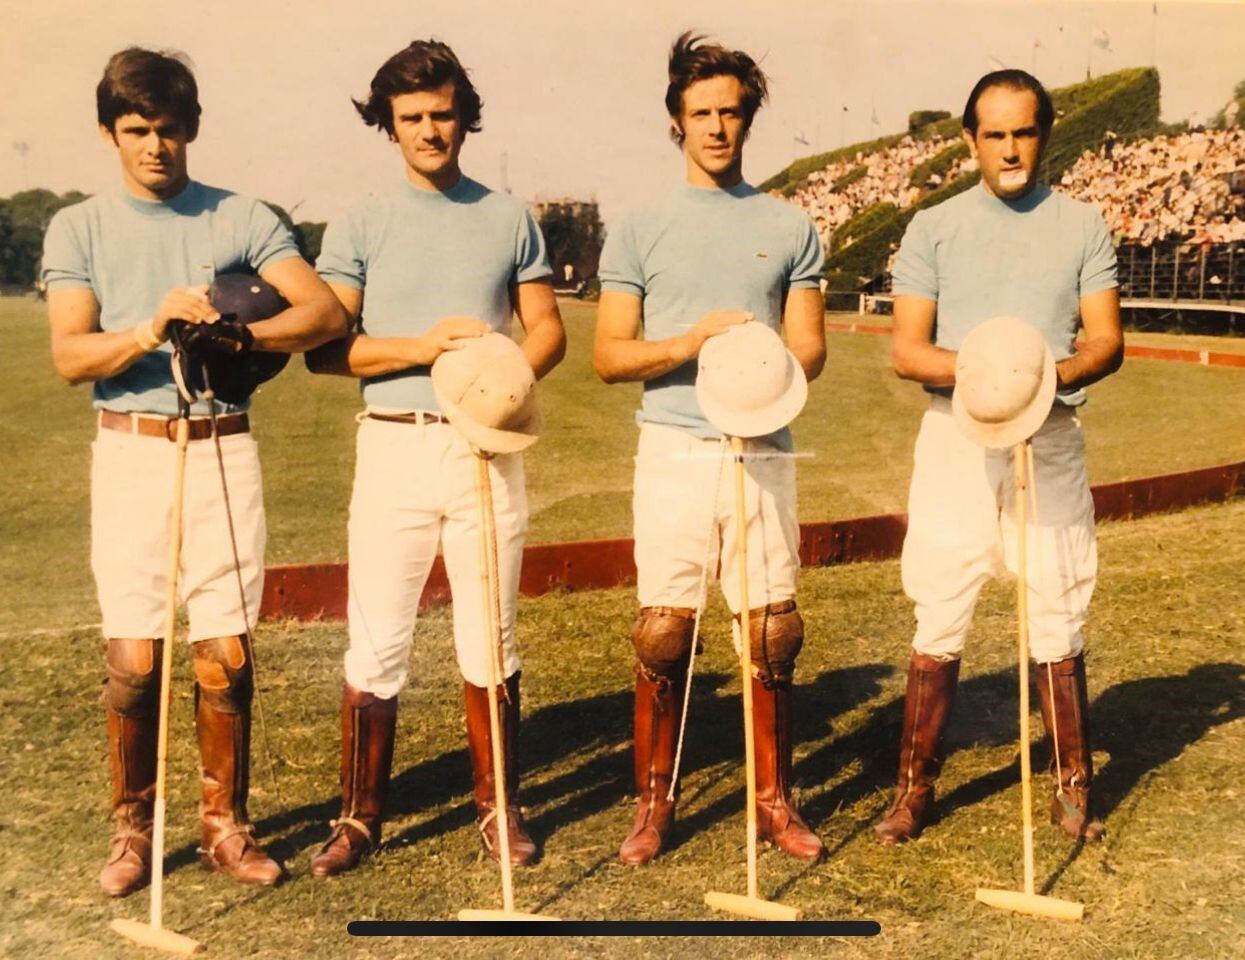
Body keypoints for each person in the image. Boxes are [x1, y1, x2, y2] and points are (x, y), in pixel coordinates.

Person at [42, 47, 347, 896]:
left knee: (225, 654)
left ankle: (224, 826)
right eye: (136, 130)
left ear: (193, 130)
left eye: (169, 130)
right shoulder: (79, 225)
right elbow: (71, 354)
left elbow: (320, 312)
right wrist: (151, 328)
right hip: (131, 447)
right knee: (134, 659)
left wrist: (244, 336)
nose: (154, 147)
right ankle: (132, 834)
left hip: (221, 445)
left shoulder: (242, 215)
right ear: (110, 133)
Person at [305, 39, 566, 876]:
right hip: (392, 446)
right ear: (388, 122)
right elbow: (325, 351)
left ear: (465, 116)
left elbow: (548, 326)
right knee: (377, 639)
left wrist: (503, 368)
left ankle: (500, 812)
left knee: (488, 640)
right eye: (411, 117)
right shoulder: (362, 221)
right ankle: (357, 817)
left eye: (443, 114)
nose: (429, 131)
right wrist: (423, 347)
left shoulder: (508, 215)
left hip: (485, 450)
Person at [594, 31, 827, 866]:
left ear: (749, 118)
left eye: (731, 112)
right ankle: (653, 804)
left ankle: (772, 800)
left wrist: (753, 366)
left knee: (771, 631)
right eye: (701, 113)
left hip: (762, 446)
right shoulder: (640, 227)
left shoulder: (790, 225)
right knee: (664, 630)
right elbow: (610, 356)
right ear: (675, 121)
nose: (717, 128)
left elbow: (809, 351)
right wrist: (694, 345)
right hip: (674, 447)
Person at [877, 69, 1123, 845]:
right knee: (941, 599)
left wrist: (1043, 380)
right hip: (956, 433)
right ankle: (913, 788)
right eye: (994, 134)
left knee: (1056, 596)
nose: (1010, 148)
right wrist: (989, 377)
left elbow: (1106, 340)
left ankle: (1071, 782)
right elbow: (908, 351)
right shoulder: (933, 227)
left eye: (1023, 131)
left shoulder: (1081, 224)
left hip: (1048, 432)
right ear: (969, 141)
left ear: (1044, 134)